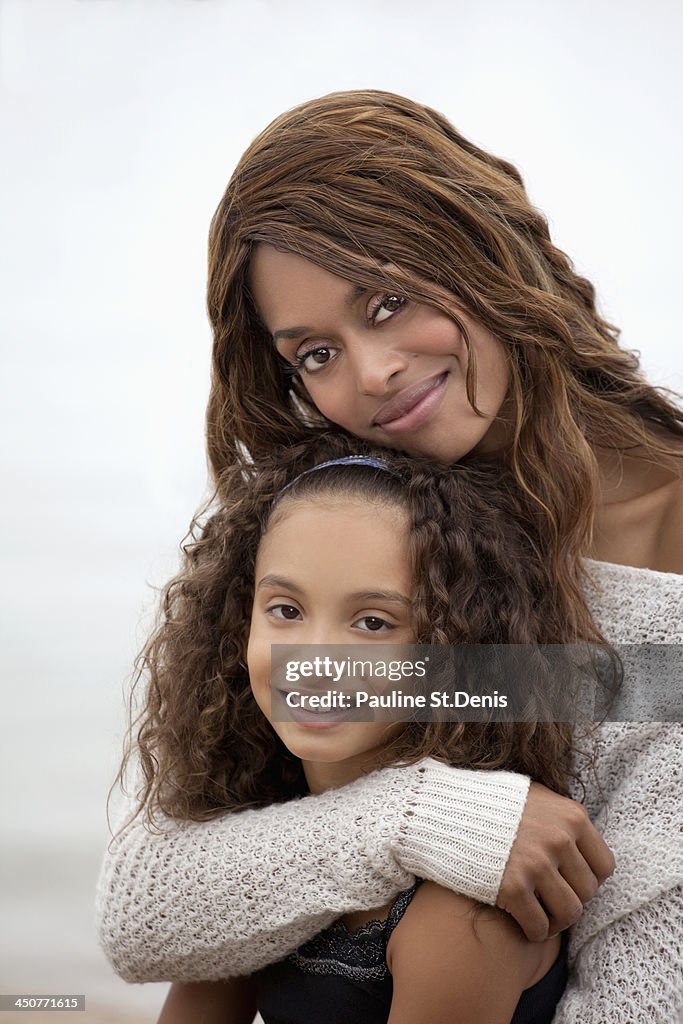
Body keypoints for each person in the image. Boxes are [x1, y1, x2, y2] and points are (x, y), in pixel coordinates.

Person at [96, 90, 683, 1021]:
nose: (369, 375)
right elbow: (142, 910)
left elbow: (643, 991)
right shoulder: (358, 516)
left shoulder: (666, 598)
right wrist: (421, 818)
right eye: (315, 354)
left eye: (387, 301)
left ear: (480, 246)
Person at [148, 437, 588, 1023]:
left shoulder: (461, 911)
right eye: (285, 610)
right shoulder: (258, 848)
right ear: (238, 620)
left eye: (373, 622)